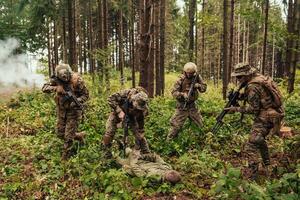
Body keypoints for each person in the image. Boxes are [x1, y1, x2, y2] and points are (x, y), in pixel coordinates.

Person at [225, 63, 284, 179]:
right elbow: (260, 97)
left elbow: (253, 109)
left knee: (251, 144)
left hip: (267, 117)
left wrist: (236, 109)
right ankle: (268, 165)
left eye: (240, 77)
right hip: (274, 113)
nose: (238, 79)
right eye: (237, 77)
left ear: (247, 75)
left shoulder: (252, 86)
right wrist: (240, 96)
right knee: (259, 139)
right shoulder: (259, 79)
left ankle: (252, 176)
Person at [42, 63, 89, 160]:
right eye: (62, 76)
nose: (65, 78)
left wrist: (78, 101)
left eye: (66, 75)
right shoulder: (56, 80)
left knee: (68, 137)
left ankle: (65, 159)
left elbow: (86, 95)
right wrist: (56, 88)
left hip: (74, 111)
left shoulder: (77, 80)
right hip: (62, 110)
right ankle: (78, 136)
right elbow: (44, 88)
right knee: (60, 134)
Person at [102, 87, 151, 158]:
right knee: (109, 132)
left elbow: (141, 122)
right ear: (133, 100)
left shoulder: (143, 106)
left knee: (139, 133)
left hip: (132, 116)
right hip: (117, 113)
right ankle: (106, 153)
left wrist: (139, 140)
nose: (139, 108)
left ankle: (146, 153)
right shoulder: (125, 94)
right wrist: (119, 111)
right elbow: (110, 99)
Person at [167, 62, 207, 139]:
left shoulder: (197, 77)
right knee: (176, 126)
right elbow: (173, 92)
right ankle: (169, 142)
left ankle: (201, 141)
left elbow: (204, 88)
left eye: (191, 73)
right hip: (182, 106)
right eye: (187, 73)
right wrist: (182, 94)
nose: (189, 75)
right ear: (185, 72)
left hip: (193, 106)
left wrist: (198, 86)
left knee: (200, 125)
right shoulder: (180, 80)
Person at [116, 148, 181, 184]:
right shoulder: (167, 168)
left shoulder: (155, 178)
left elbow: (139, 173)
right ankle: (121, 146)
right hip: (141, 161)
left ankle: (113, 152)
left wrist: (133, 160)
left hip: (132, 166)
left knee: (116, 158)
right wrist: (143, 156)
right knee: (127, 149)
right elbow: (156, 157)